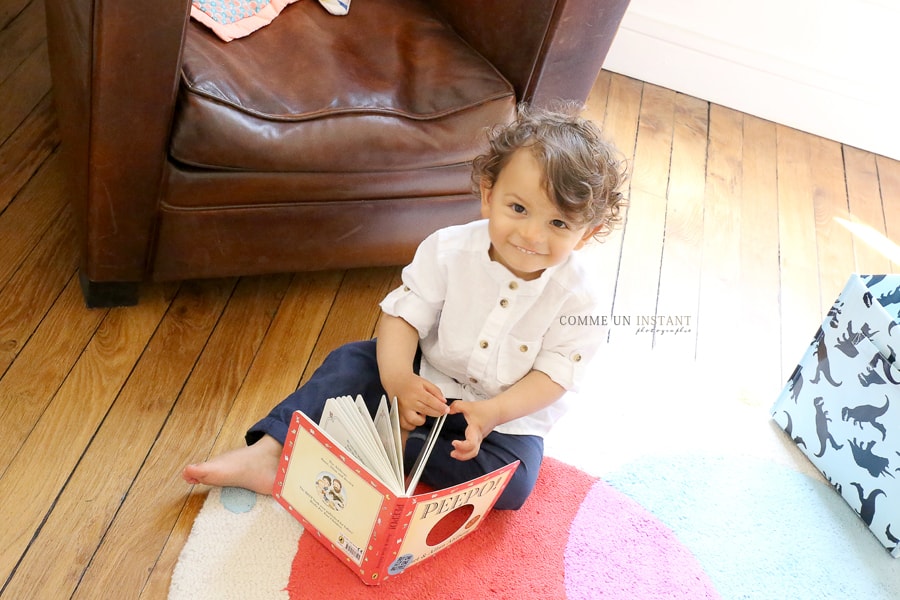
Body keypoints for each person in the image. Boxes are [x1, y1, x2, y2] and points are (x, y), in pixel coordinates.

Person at [182, 103, 627, 509]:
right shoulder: (449, 249)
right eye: (518, 208)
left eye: (558, 223)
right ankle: (270, 451)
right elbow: (402, 315)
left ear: (586, 233)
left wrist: (493, 413)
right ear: (488, 194)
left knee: (513, 485)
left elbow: (553, 377)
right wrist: (397, 379)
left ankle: (385, 440)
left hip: (502, 415)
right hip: (423, 375)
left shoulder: (582, 298)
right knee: (351, 362)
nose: (531, 236)